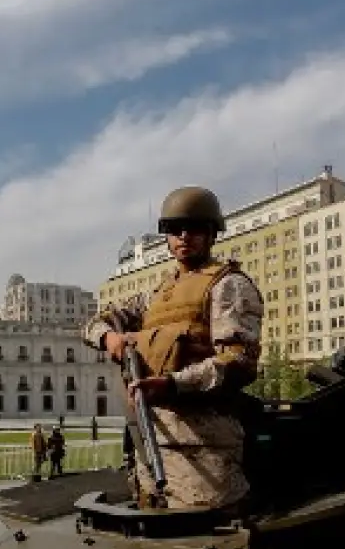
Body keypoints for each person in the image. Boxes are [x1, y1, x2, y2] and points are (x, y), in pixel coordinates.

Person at [83, 185, 263, 510]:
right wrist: (109, 338)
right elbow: (96, 321)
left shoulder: (227, 285)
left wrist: (171, 384)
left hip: (203, 448)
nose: (183, 236)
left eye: (193, 228)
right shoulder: (158, 295)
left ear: (211, 234)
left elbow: (238, 363)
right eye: (173, 229)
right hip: (151, 443)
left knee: (207, 543)